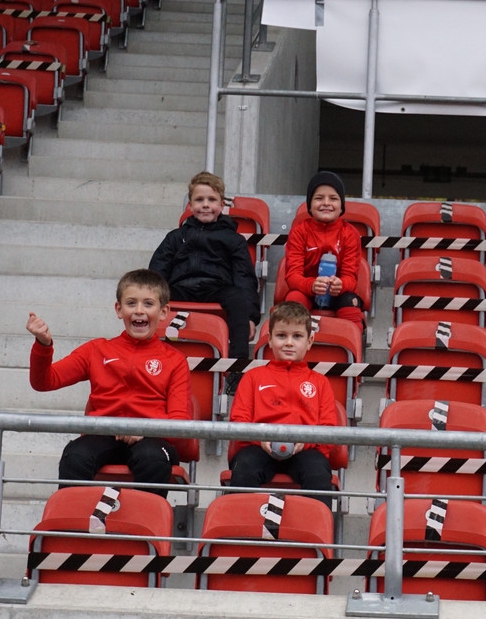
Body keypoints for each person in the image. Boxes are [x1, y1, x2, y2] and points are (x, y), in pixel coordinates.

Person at [27, 269, 191, 497]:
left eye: (148, 304)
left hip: (152, 440)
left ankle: (146, 521)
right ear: (119, 309)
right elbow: (44, 381)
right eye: (131, 303)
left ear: (163, 312)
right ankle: (73, 520)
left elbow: (180, 422)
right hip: (102, 435)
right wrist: (43, 345)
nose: (139, 310)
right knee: (75, 455)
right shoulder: (97, 350)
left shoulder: (175, 360)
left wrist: (143, 429)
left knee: (152, 459)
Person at [149, 171, 261, 394]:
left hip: (216, 289)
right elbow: (158, 270)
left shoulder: (234, 240)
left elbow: (244, 277)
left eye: (212, 200)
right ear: (190, 206)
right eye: (199, 200)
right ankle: (146, 354)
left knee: (238, 296)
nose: (206, 205)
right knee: (153, 293)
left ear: (222, 205)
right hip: (180, 288)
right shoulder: (176, 237)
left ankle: (236, 370)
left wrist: (250, 317)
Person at [227, 301, 336, 507]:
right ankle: (241, 525)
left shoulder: (320, 383)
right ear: (269, 340)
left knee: (317, 470)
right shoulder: (252, 377)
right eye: (281, 335)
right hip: (259, 448)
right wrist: (261, 439)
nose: (289, 343)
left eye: (297, 336)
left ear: (310, 341)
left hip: (305, 451)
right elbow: (238, 421)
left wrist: (306, 442)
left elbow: (329, 430)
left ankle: (318, 526)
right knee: (245, 465)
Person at [283, 171, 364, 329]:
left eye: (333, 198)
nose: (326, 203)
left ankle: (353, 343)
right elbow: (292, 276)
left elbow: (351, 278)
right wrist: (312, 285)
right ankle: (293, 343)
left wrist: (340, 285)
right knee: (294, 299)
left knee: (350, 302)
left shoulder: (350, 233)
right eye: (319, 198)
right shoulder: (299, 231)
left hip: (338, 294)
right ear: (309, 205)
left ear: (341, 206)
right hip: (306, 291)